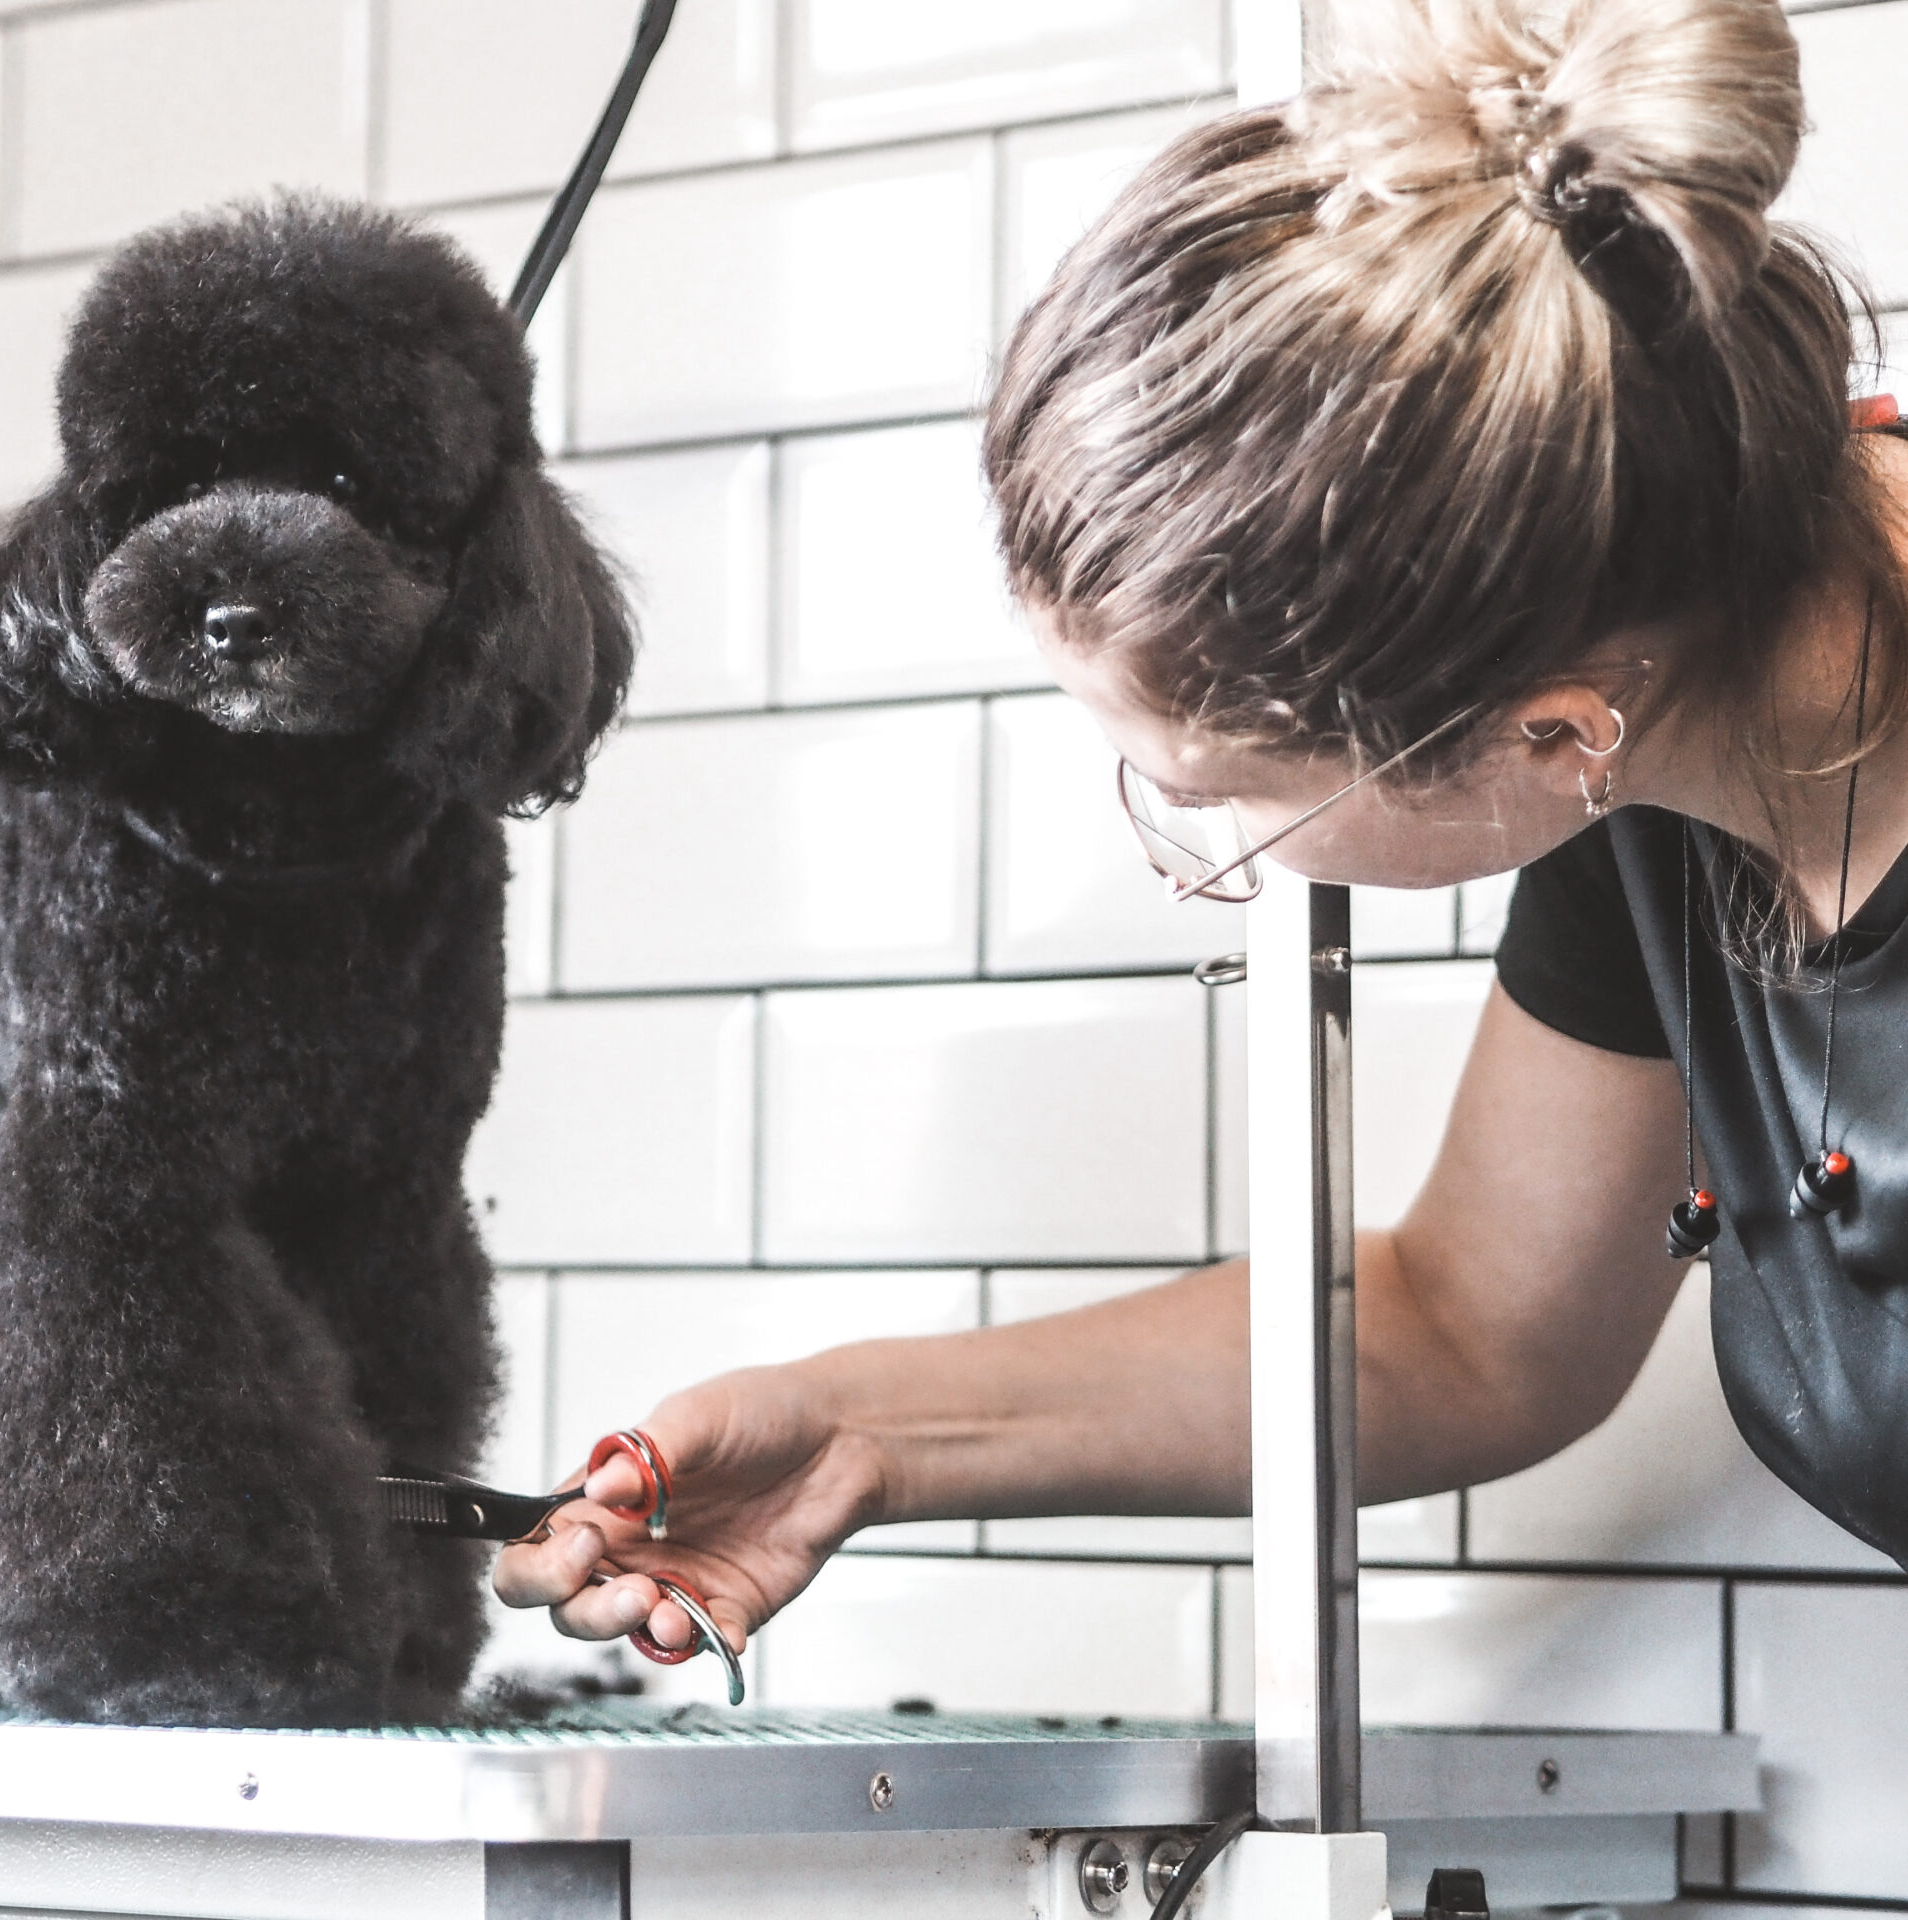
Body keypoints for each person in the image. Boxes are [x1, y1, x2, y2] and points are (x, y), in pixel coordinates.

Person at [494, 0, 1908, 1665]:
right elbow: (1473, 1326)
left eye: (1227, 798)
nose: (1215, 864)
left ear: (1548, 728)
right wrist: (855, 1433)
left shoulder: (1634, 692)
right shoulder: (1663, 731)